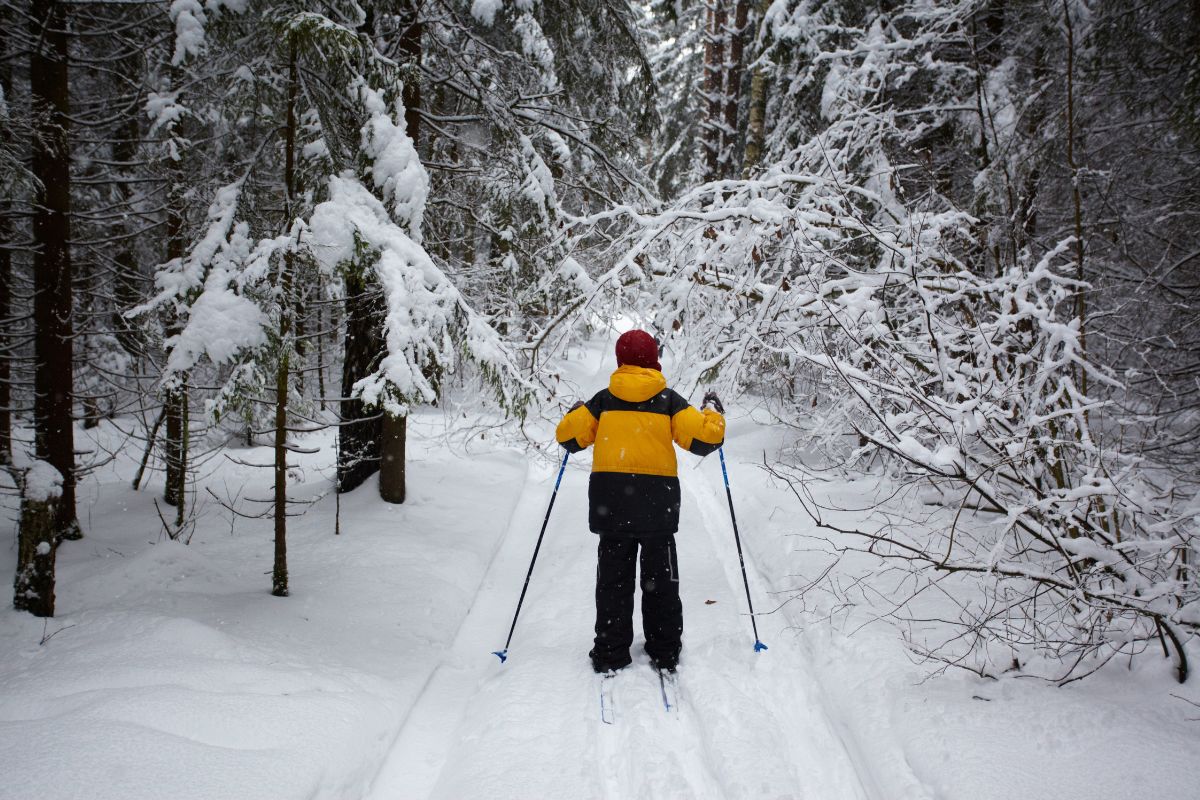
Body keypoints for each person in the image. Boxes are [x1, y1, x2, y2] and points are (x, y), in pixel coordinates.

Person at [555, 329, 725, 674]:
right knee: (661, 580)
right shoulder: (668, 401)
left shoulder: (603, 401)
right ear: (654, 361)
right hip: (656, 507)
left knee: (613, 580)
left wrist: (575, 412)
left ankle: (611, 650)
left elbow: (569, 437)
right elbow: (707, 440)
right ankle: (664, 650)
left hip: (611, 505)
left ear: (620, 361)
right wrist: (712, 411)